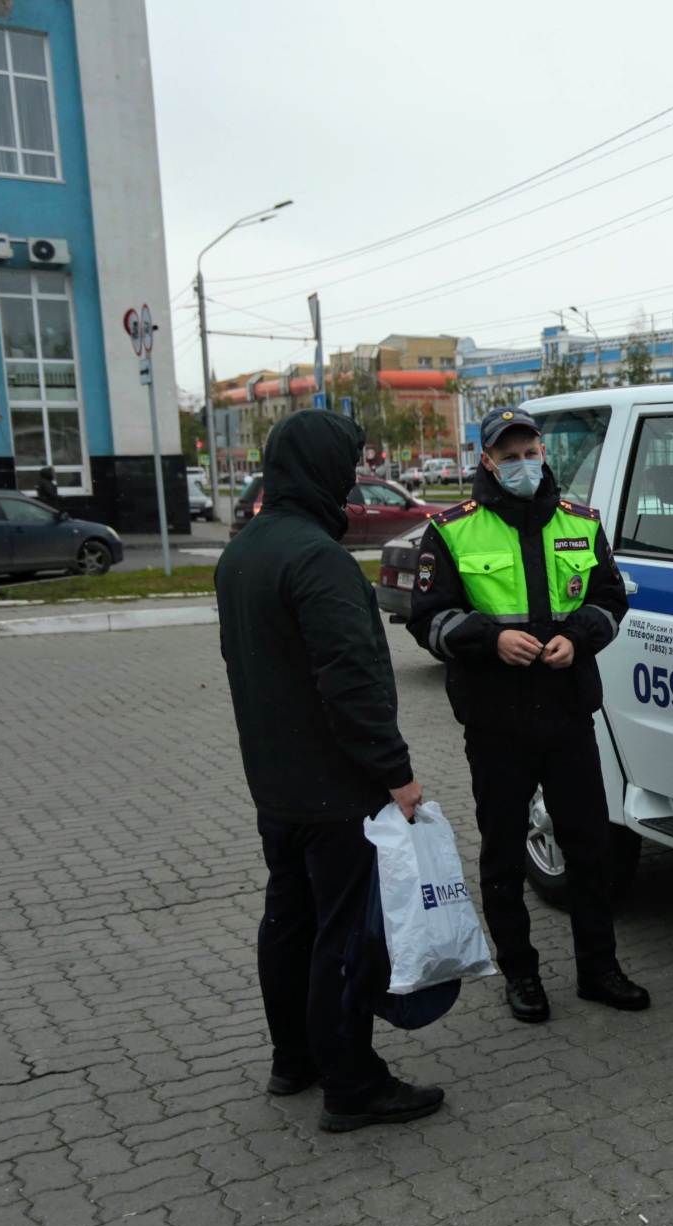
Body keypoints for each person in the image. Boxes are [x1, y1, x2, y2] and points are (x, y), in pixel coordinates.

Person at [215, 408, 444, 1134]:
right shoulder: (318, 559)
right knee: (342, 936)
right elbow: (351, 681)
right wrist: (396, 774)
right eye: (347, 466)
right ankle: (352, 1083)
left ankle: (295, 1059)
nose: (352, 479)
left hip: (276, 785)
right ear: (320, 469)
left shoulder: (244, 551)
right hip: (335, 788)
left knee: (289, 921)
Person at [408, 405, 646, 1022]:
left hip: (568, 716)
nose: (522, 464)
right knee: (504, 856)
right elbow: (428, 619)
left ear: (544, 452)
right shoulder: (452, 530)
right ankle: (521, 975)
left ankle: (599, 969)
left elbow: (610, 599)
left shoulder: (580, 522)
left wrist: (580, 636)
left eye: (530, 452)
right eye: (508, 456)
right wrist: (491, 641)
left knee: (590, 849)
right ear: (487, 461)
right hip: (497, 723)